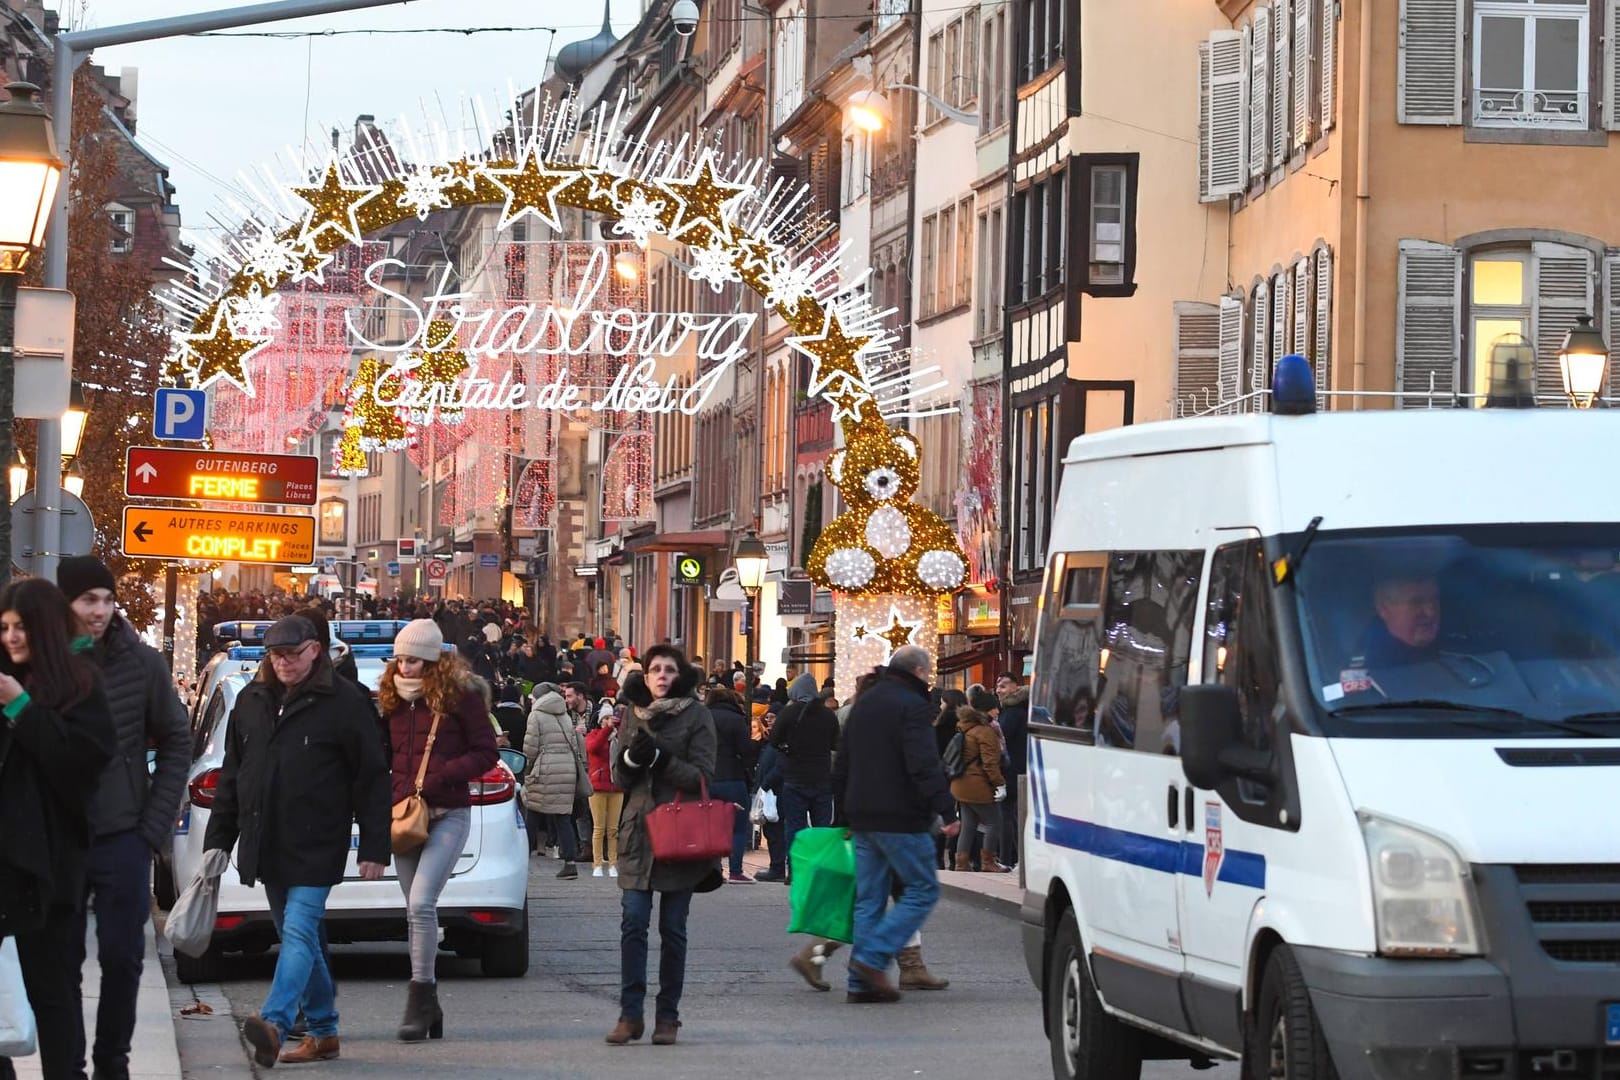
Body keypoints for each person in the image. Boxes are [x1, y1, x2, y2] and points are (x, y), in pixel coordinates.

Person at [203, 616, 391, 1068]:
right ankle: (324, 1031)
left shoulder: (345, 702)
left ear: (315, 650)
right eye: (276, 655)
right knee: (297, 935)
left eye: (292, 653)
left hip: (318, 839)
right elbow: (234, 774)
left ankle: (276, 1021)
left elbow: (370, 779)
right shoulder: (251, 700)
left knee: (299, 931)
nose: (284, 663)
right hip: (266, 838)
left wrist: (374, 847)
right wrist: (219, 839)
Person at [35, 558, 189, 1080]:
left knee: (123, 959)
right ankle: (66, 1068)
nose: (99, 611)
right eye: (88, 601)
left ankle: (112, 1064)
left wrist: (154, 824)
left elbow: (176, 738)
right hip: (59, 838)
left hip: (124, 833)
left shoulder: (143, 664)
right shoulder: (40, 661)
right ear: (65, 605)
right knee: (61, 964)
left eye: (106, 599)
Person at [0, 579, 117, 1080]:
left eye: (21, 627)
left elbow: (77, 767)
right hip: (5, 862)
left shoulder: (79, 687)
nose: (10, 637)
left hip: (47, 867)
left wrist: (21, 708)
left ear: (43, 629)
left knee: (51, 992)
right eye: (3, 627)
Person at [378, 619, 498, 1042]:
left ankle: (418, 997)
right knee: (413, 911)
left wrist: (444, 774)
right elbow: (379, 754)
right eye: (399, 659)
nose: (403, 667)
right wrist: (391, 790)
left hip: (449, 812)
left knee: (422, 903)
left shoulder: (460, 697)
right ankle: (429, 1005)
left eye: (412, 660)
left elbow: (487, 751)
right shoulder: (390, 699)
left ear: (432, 662)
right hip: (404, 815)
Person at [606, 645, 719, 1047]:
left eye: (669, 669)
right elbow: (619, 778)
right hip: (638, 834)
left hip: (680, 836)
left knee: (673, 929)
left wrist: (661, 759)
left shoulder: (697, 714)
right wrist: (634, 761)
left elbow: (703, 775)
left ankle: (667, 1016)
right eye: (655, 669)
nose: (661, 676)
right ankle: (629, 1014)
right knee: (633, 924)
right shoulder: (634, 714)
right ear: (646, 675)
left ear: (679, 675)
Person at [832, 645, 958, 1003]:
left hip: (862, 814)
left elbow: (843, 761)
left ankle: (861, 983)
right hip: (900, 815)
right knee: (922, 889)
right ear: (919, 672)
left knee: (869, 899)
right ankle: (871, 962)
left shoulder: (865, 702)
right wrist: (946, 810)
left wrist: (842, 813)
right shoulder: (912, 706)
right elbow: (923, 762)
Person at [770, 672, 840, 879]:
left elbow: (774, 741)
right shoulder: (828, 715)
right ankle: (821, 869)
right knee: (822, 828)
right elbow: (836, 744)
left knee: (794, 826)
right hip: (821, 777)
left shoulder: (789, 713)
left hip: (795, 777)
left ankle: (795, 870)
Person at [522, 683, 584, 879]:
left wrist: (528, 768)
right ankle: (570, 862)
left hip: (545, 767)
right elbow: (574, 742)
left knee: (532, 811)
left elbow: (531, 747)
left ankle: (522, 858)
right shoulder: (564, 714)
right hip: (567, 768)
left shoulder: (536, 715)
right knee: (562, 816)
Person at [705, 686, 758, 884]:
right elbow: (746, 751)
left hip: (708, 777)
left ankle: (714, 869)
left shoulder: (704, 717)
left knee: (712, 825)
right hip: (733, 778)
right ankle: (736, 870)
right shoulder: (736, 719)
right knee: (738, 827)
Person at [948, 706, 1009, 873]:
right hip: (977, 785)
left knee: (968, 824)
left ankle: (961, 863)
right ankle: (988, 862)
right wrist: (999, 784)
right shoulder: (984, 732)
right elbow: (990, 764)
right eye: (993, 708)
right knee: (994, 822)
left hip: (960, 785)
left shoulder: (966, 728)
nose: (997, 712)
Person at [1364, 574, 1443, 666]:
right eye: (1416, 602)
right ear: (1384, 609)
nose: (1431, 612)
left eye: (1435, 599)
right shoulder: (1364, 666)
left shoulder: (1458, 648)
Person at [993, 673, 1030, 869]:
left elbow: (1001, 740)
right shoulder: (1018, 710)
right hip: (1019, 769)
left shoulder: (1013, 712)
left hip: (1012, 770)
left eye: (1004, 686)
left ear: (1015, 687)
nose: (999, 690)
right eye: (998, 686)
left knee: (1006, 815)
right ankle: (1016, 858)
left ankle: (1006, 859)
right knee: (1013, 815)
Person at [585, 699, 624, 878]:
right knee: (599, 828)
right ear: (600, 721)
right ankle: (598, 863)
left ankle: (614, 863)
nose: (609, 721)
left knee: (613, 829)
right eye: (605, 718)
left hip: (616, 786)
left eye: (611, 718)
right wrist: (607, 730)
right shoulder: (593, 735)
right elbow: (593, 748)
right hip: (598, 786)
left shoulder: (618, 738)